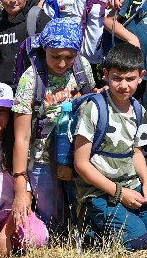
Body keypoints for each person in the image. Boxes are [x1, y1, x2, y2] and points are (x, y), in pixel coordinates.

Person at [73, 43, 147, 250]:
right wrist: (119, 193)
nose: (123, 85)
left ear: (141, 76)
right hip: (99, 191)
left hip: (131, 184)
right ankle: (90, 226)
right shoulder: (94, 109)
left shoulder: (138, 110)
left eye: (130, 79)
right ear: (105, 74)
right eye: (117, 78)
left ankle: (125, 217)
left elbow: (137, 152)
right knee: (137, 241)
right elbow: (81, 164)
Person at [12, 18, 95, 238]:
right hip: (42, 159)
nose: (61, 63)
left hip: (78, 153)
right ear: (44, 49)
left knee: (81, 211)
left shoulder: (82, 68)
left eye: (69, 56)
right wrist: (20, 185)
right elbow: (21, 136)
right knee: (54, 222)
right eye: (55, 56)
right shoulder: (31, 79)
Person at [0, 82, 47, 256]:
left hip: (12, 209)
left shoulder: (18, 147)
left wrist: (6, 232)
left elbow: (26, 193)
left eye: (2, 111)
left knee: (36, 238)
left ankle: (6, 236)